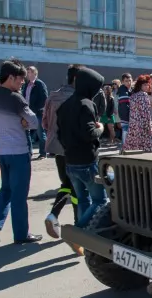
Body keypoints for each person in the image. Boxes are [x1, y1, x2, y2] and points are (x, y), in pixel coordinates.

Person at [0, 58, 41, 244]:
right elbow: (34, 122)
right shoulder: (16, 97)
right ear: (10, 77)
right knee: (19, 194)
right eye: (20, 79)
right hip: (18, 151)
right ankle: (21, 234)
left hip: (2, 151)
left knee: (6, 190)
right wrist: (23, 122)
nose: (22, 82)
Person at [57, 67, 108, 240]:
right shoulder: (86, 104)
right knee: (100, 200)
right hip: (87, 161)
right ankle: (77, 232)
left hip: (70, 161)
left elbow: (59, 134)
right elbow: (89, 133)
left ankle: (84, 237)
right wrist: (100, 128)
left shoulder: (65, 104)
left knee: (83, 199)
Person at [41, 64, 82, 240]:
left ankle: (56, 216)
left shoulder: (53, 96)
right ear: (76, 79)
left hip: (57, 148)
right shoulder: (77, 97)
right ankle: (75, 225)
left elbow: (44, 123)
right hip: (73, 148)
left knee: (67, 183)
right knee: (76, 187)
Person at [123, 75, 152, 153]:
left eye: (147, 84)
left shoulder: (133, 95)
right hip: (142, 124)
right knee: (147, 147)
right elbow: (145, 112)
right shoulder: (144, 95)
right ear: (140, 85)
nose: (147, 86)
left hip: (133, 124)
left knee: (134, 147)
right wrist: (148, 126)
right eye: (144, 85)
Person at [21, 66, 48, 160]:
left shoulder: (39, 84)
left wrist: (40, 110)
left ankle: (43, 153)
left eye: (31, 72)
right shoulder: (26, 85)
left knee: (40, 133)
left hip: (37, 113)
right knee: (26, 132)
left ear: (35, 74)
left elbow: (45, 98)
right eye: (28, 73)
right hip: (27, 112)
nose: (29, 75)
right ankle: (29, 153)